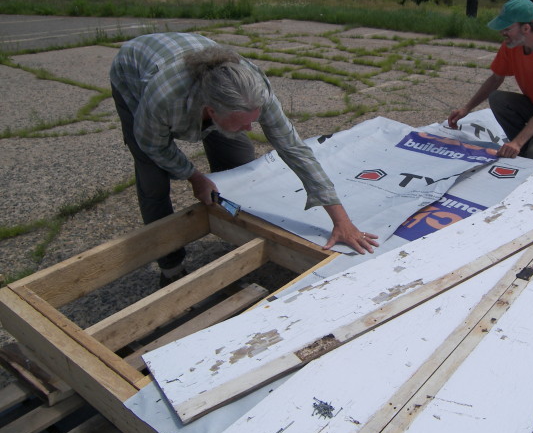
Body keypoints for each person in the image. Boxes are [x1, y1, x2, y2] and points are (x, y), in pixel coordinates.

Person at [110, 32, 378, 284]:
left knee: (239, 163)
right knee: (153, 180)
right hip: (133, 70)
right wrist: (194, 176)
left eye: (253, 121)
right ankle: (171, 268)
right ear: (211, 110)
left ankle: (235, 230)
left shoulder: (254, 90)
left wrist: (341, 220)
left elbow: (294, 149)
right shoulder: (163, 101)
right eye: (242, 123)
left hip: (204, 83)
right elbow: (154, 147)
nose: (251, 129)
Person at [448, 0, 533, 160]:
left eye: (507, 28)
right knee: (498, 98)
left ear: (526, 28)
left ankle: (532, 146)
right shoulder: (512, 45)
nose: (502, 33)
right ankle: (525, 146)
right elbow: (495, 79)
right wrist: (466, 109)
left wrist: (516, 143)